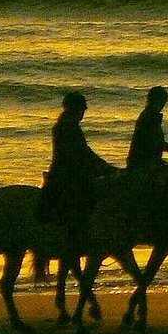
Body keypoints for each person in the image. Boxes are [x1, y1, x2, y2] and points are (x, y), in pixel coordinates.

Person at [37, 91, 115, 230]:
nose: (82, 114)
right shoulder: (68, 127)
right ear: (75, 109)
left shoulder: (65, 125)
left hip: (67, 168)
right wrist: (105, 167)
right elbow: (81, 153)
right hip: (68, 171)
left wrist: (102, 165)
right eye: (82, 110)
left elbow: (84, 152)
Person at [126, 85, 168, 171]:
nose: (162, 105)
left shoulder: (148, 115)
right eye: (162, 101)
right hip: (144, 162)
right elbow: (155, 143)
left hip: (145, 160)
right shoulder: (150, 117)